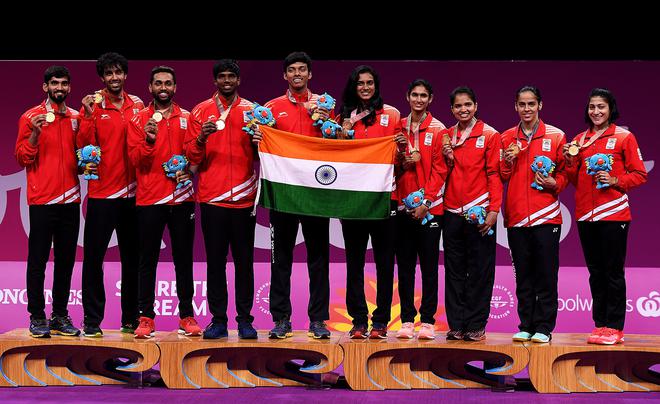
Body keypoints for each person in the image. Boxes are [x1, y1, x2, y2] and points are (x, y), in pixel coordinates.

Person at [252, 51, 333, 339]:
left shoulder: (324, 106)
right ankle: (281, 319)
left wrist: (328, 127)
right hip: (283, 196)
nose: (297, 73)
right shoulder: (271, 109)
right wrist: (258, 138)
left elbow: (334, 148)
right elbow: (257, 146)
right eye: (292, 70)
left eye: (302, 69)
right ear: (285, 75)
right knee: (280, 259)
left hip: (315, 197)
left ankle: (318, 320)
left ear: (310, 74)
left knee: (319, 259)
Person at [563, 88, 647, 345]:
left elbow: (640, 174)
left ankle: (615, 327)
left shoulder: (624, 137)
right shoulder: (580, 140)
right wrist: (569, 161)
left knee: (612, 272)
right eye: (592, 107)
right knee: (595, 272)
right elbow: (576, 180)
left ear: (611, 109)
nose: (596, 112)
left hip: (613, 214)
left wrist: (615, 180)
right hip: (586, 216)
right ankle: (599, 324)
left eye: (601, 107)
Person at [184, 59, 259, 339]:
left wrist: (259, 141)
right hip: (212, 199)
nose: (227, 81)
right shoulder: (200, 112)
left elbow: (265, 154)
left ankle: (245, 320)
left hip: (243, 198)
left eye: (231, 77)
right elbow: (192, 158)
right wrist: (201, 139)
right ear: (215, 81)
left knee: (244, 262)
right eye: (222, 77)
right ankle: (217, 320)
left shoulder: (254, 112)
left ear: (238, 80)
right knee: (215, 262)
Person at [126, 66, 201, 338]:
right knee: (147, 260)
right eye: (158, 83)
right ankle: (145, 317)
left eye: (168, 83)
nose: (163, 88)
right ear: (150, 88)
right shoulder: (138, 120)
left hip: (182, 199)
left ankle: (187, 316)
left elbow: (196, 153)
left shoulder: (188, 118)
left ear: (175, 87)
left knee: (184, 259)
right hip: (149, 199)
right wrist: (148, 140)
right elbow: (136, 160)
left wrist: (189, 171)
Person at [78, 52, 144, 337]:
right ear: (102, 78)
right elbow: (82, 147)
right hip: (102, 194)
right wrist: (90, 114)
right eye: (109, 73)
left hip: (132, 196)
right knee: (93, 260)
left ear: (125, 75)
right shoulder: (92, 106)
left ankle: (130, 318)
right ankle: (92, 320)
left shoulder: (138, 105)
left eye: (118, 72)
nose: (114, 77)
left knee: (132, 261)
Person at [336, 65, 402, 339]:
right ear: (354, 86)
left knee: (385, 263)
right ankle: (359, 321)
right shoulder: (343, 118)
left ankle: (381, 321)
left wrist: (402, 151)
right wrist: (342, 133)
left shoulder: (392, 114)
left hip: (384, 198)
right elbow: (336, 159)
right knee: (354, 262)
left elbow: (399, 158)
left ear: (376, 86)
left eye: (369, 83)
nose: (365, 87)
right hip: (353, 200)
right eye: (360, 83)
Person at [15, 65, 81, 338]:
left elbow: (83, 156)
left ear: (69, 88)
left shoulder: (77, 118)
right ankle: (37, 315)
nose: (60, 88)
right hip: (42, 200)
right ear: (45, 87)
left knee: (65, 261)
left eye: (64, 83)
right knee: (38, 261)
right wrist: (34, 135)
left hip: (70, 201)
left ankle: (60, 315)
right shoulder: (30, 117)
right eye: (55, 83)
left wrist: (87, 161)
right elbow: (21, 158)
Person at [500, 86, 568, 344]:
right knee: (524, 275)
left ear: (540, 105)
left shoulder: (557, 136)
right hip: (517, 218)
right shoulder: (507, 137)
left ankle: (544, 327)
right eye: (521, 104)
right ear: (515, 107)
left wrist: (555, 183)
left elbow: (566, 173)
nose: (526, 109)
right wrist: (509, 160)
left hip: (547, 216)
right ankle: (525, 324)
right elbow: (503, 175)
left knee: (546, 274)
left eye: (531, 104)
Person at [441, 86, 502, 341]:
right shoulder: (446, 135)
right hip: (452, 210)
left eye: (468, 105)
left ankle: (476, 324)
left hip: (480, 211)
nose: (463, 110)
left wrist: (493, 210)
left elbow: (494, 174)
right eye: (458, 106)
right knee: (454, 270)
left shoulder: (490, 135)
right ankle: (456, 325)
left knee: (480, 270)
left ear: (476, 106)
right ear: (452, 109)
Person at [395, 79, 447, 340]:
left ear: (430, 99)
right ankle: (406, 319)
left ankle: (427, 320)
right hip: (402, 207)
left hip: (430, 210)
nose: (418, 99)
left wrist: (425, 202)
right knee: (404, 266)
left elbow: (440, 170)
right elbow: (390, 163)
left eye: (423, 96)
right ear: (407, 97)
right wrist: (402, 162)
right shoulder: (397, 127)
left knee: (428, 266)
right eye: (414, 95)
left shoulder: (439, 130)